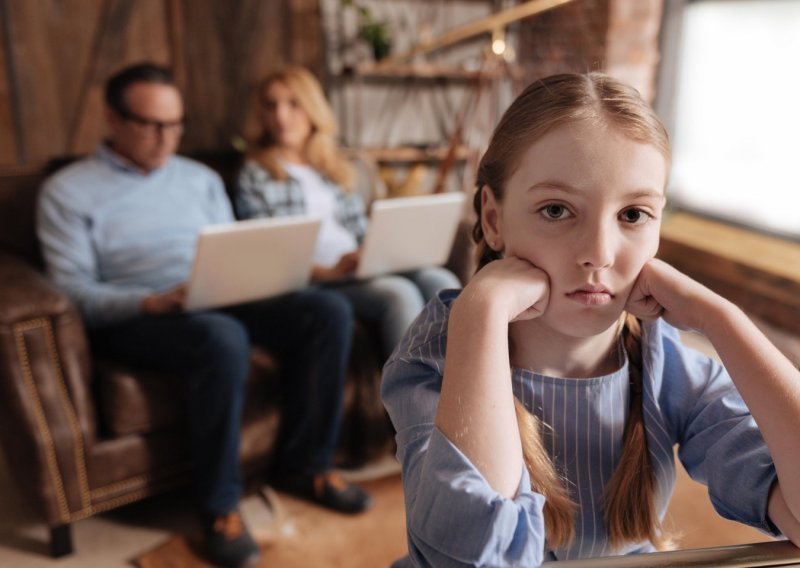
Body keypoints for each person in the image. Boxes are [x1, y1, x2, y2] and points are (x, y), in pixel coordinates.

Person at [381, 72, 800, 566]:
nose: (599, 254)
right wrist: (481, 310)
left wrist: (722, 320)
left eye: (633, 215)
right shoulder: (437, 354)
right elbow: (472, 557)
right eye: (557, 210)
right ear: (493, 219)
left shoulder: (664, 364)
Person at [37, 62, 371, 568]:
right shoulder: (67, 192)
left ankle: (306, 465)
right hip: (140, 311)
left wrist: (251, 276)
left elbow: (230, 247)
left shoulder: (200, 179)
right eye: (151, 125)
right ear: (112, 119)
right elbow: (74, 294)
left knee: (325, 310)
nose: (166, 138)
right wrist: (150, 301)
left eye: (175, 125)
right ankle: (220, 506)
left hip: (214, 293)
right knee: (221, 336)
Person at [235, 65, 462, 360]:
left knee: (441, 282)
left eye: (293, 104)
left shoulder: (333, 169)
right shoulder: (256, 173)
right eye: (271, 105)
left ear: (312, 109)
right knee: (397, 294)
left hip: (358, 266)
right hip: (319, 277)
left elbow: (359, 230)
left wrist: (373, 252)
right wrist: (327, 272)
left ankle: (463, 391)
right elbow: (268, 249)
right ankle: (413, 405)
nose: (281, 115)